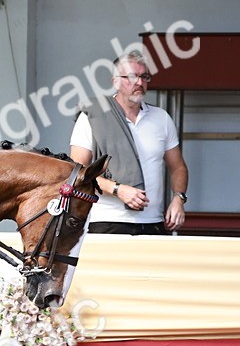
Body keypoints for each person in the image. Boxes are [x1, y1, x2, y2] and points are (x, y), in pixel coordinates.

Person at [69, 51, 189, 235]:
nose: (139, 83)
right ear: (115, 81)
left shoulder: (161, 118)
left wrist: (178, 198)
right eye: (132, 77)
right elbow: (77, 172)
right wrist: (118, 190)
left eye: (144, 77)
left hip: (153, 222)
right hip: (107, 221)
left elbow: (178, 167)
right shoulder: (92, 117)